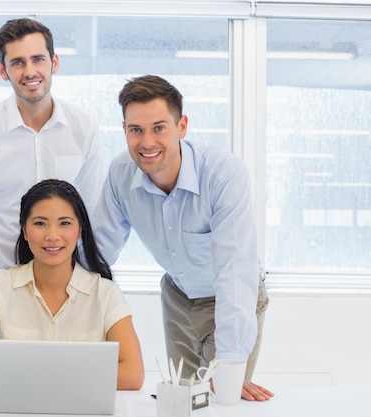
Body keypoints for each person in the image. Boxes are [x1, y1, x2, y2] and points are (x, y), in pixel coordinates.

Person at [93, 75, 273, 401]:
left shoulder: (224, 175)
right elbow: (98, 252)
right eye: (136, 130)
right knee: (181, 402)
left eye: (159, 127)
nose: (147, 142)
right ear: (124, 131)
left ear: (182, 126)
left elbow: (235, 272)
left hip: (228, 297)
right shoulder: (120, 173)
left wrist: (231, 362)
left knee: (222, 399)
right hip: (177, 298)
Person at [0, 18, 104, 294]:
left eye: (38, 59)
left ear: (54, 62)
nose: (30, 71)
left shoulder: (83, 127)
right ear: (3, 70)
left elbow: (91, 212)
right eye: (18, 62)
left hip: (66, 286)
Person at [0, 179, 144, 390]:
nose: (52, 236)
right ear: (24, 230)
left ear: (79, 231)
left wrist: (41, 378)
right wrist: (79, 377)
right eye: (40, 223)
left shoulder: (105, 293)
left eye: (65, 223)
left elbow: (132, 374)